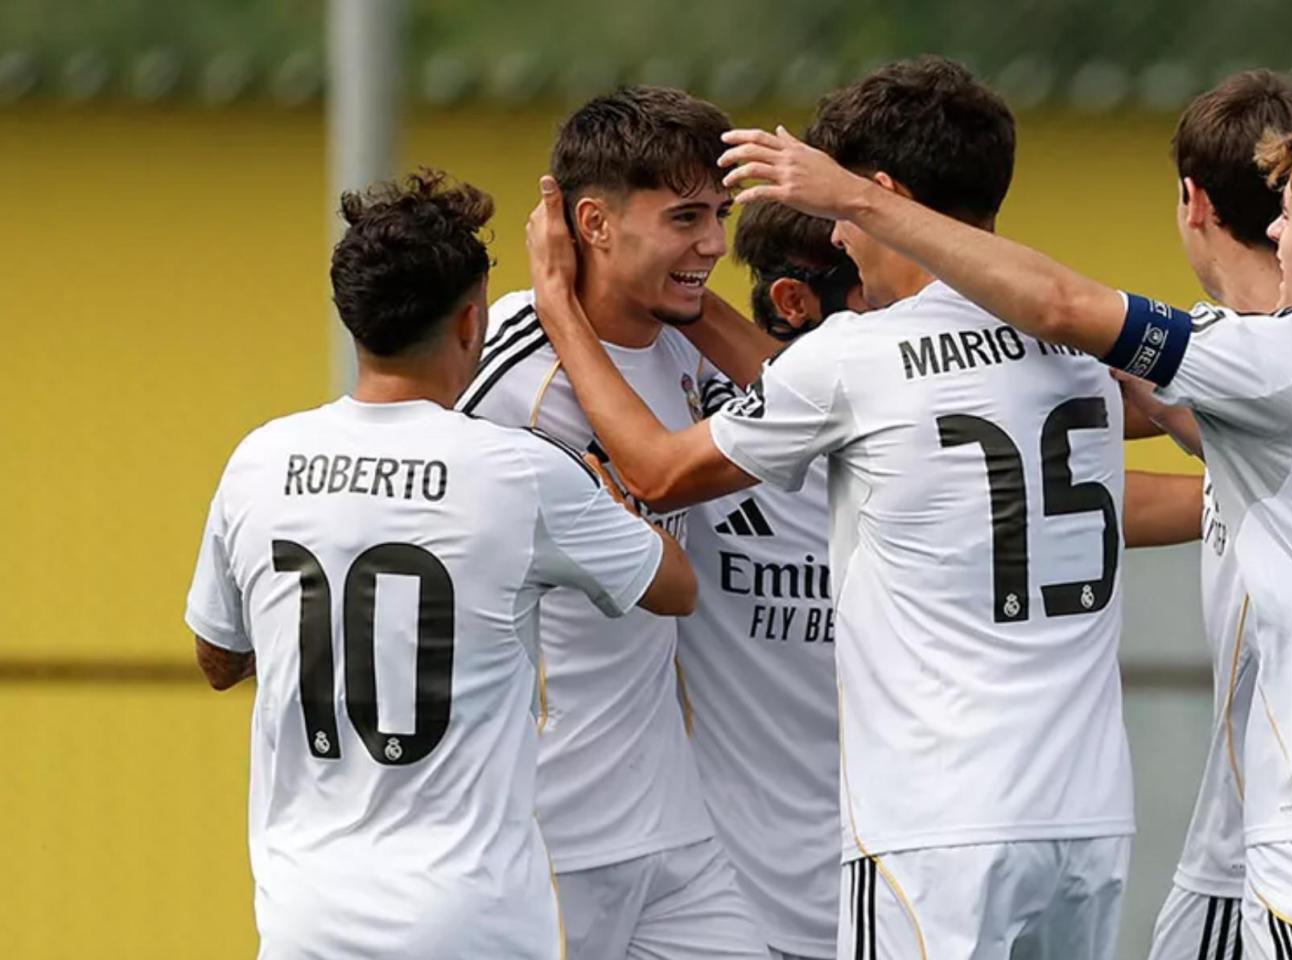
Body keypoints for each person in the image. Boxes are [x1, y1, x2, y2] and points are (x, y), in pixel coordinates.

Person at [725, 114, 1292, 959]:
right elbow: (1195, 410)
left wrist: (851, 199)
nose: (1276, 229)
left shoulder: (1287, 361)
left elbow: (1067, 307)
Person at [525, 57, 1135, 960]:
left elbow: (655, 472)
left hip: (936, 827)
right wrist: (685, 297)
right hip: (1091, 820)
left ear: (877, 196)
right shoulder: (1081, 341)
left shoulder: (857, 356)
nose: (842, 240)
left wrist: (560, 309)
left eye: (846, 212)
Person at [185, 169, 695, 959]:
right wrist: (613, 501)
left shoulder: (259, 460)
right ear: (470, 321)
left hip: (301, 916)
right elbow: (673, 587)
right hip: (472, 918)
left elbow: (219, 659)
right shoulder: (519, 472)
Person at [455, 88, 766, 959]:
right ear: (592, 222)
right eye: (686, 217)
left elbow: (824, 403)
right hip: (548, 828)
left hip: (673, 827)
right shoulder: (502, 363)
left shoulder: (685, 341)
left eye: (721, 215)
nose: (714, 243)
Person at [1135, 70, 1292, 960]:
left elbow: (1065, 313)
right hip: (1261, 828)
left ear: (1192, 201)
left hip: (1287, 841)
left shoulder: (1261, 360)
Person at [681, 200, 865, 960]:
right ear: (794, 301)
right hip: (727, 909)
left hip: (897, 889)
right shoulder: (700, 426)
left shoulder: (911, 423)